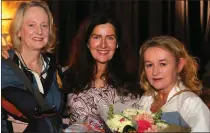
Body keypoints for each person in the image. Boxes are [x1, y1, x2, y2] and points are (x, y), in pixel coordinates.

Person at [62, 12, 142, 131]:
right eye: (96, 37)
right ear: (87, 43)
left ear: (118, 43)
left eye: (110, 38)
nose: (103, 44)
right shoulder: (68, 76)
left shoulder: (133, 79)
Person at [1, 1, 63, 132]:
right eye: (31, 25)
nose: (39, 31)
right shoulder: (4, 67)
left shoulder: (54, 69)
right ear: (18, 31)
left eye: (44, 25)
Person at [137, 36, 210, 132]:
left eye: (163, 64)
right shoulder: (146, 99)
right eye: (149, 65)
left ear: (179, 65)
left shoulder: (190, 103)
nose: (155, 72)